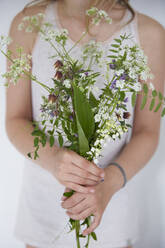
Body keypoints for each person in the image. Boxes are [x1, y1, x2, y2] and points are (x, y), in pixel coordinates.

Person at [5, 0, 165, 247]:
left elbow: (148, 132)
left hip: (112, 205)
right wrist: (53, 158)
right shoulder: (29, 24)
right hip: (44, 208)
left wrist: (108, 182)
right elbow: (15, 120)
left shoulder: (148, 34)